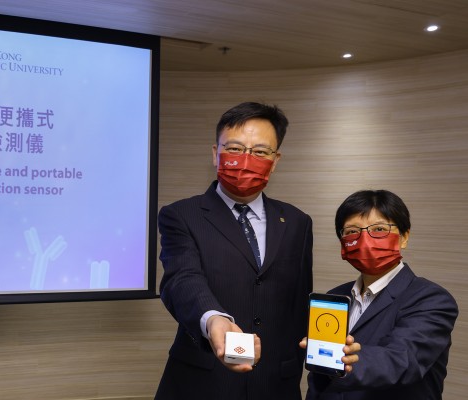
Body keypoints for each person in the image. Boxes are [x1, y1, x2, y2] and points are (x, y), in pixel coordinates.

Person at [155, 101, 316, 399]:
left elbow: (299, 300)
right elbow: (182, 279)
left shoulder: (297, 222)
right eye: (235, 148)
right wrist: (214, 319)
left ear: (276, 159)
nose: (246, 159)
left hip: (276, 384)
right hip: (202, 382)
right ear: (216, 153)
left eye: (259, 152)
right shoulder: (181, 215)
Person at [303, 189, 458, 400]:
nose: (365, 241)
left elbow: (403, 359)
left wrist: (346, 360)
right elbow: (319, 377)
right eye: (352, 231)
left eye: (379, 229)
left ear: (404, 237)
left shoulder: (432, 299)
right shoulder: (335, 297)